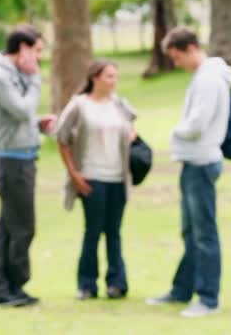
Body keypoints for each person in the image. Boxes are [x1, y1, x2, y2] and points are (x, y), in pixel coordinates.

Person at [145, 26, 231, 317]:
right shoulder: (204, 76)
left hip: (201, 163)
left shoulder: (209, 79)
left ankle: (208, 299)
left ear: (190, 49)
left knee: (204, 233)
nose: (175, 64)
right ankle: (181, 290)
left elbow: (196, 125)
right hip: (193, 163)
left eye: (176, 57)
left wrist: (175, 132)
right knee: (190, 231)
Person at [0, 25, 55, 307]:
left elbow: (21, 117)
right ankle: (13, 286)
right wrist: (35, 78)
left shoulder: (10, 76)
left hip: (22, 157)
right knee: (23, 228)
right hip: (13, 163)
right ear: (23, 49)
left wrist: (38, 125)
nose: (39, 58)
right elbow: (22, 109)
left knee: (8, 228)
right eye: (37, 51)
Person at [55, 59, 137, 300]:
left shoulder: (119, 104)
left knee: (114, 231)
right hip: (92, 176)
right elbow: (62, 138)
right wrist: (74, 174)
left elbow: (131, 128)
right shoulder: (79, 105)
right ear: (95, 78)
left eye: (116, 77)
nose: (114, 81)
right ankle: (87, 284)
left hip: (118, 177)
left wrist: (132, 136)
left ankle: (117, 283)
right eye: (109, 76)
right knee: (93, 230)